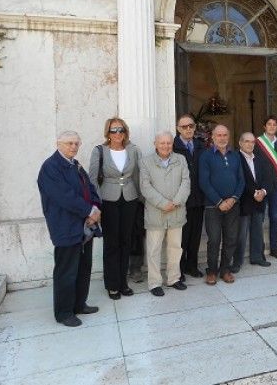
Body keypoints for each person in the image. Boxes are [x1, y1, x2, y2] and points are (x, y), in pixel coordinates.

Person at [37, 131, 101, 327]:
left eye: (76, 143)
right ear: (59, 144)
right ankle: (64, 313)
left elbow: (90, 188)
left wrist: (96, 208)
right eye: (69, 143)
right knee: (66, 272)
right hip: (65, 227)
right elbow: (64, 196)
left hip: (84, 225)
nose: (73, 147)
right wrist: (89, 210)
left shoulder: (75, 164)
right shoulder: (51, 167)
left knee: (83, 268)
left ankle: (79, 304)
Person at [88, 117, 141, 300]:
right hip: (108, 200)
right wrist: (96, 204)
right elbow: (92, 179)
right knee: (112, 243)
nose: (117, 134)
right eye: (113, 130)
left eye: (120, 130)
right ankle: (112, 284)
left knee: (126, 241)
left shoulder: (133, 150)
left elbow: (138, 174)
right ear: (108, 133)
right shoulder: (99, 151)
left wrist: (141, 198)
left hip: (130, 198)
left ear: (125, 132)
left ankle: (123, 282)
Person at [140, 131, 190, 297]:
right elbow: (145, 187)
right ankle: (154, 283)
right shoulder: (146, 162)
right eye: (162, 143)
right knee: (154, 249)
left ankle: (174, 279)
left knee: (175, 248)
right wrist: (163, 203)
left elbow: (186, 182)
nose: (166, 146)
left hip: (176, 211)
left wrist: (175, 202)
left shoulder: (180, 160)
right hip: (156, 213)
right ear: (155, 143)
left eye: (168, 143)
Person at [199, 124, 245, 285]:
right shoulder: (206, 156)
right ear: (213, 137)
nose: (222, 138)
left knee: (231, 238)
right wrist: (219, 201)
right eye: (219, 135)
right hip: (213, 206)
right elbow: (204, 182)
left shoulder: (235, 156)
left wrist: (233, 199)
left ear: (229, 136)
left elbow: (241, 180)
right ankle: (212, 271)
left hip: (233, 205)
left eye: (225, 135)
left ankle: (225, 269)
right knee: (214, 239)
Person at [232, 133, 272, 271]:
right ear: (240, 143)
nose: (250, 144)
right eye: (246, 141)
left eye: (252, 142)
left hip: (259, 201)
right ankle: (236, 262)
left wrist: (264, 192)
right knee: (240, 235)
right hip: (243, 202)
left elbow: (268, 178)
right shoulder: (235, 158)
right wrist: (254, 193)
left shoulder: (260, 159)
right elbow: (238, 180)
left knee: (257, 231)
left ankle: (257, 257)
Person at [173, 114, 206, 279]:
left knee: (195, 235)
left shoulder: (200, 145)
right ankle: (179, 268)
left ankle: (192, 265)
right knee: (182, 237)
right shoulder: (172, 146)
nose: (188, 129)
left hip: (199, 198)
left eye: (191, 126)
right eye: (184, 126)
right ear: (178, 128)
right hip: (181, 200)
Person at [254, 115, 277, 259]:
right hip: (262, 187)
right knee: (259, 219)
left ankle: (274, 248)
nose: (272, 126)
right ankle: (259, 250)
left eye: (274, 124)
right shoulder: (257, 143)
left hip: (276, 187)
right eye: (269, 124)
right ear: (264, 127)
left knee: (274, 218)